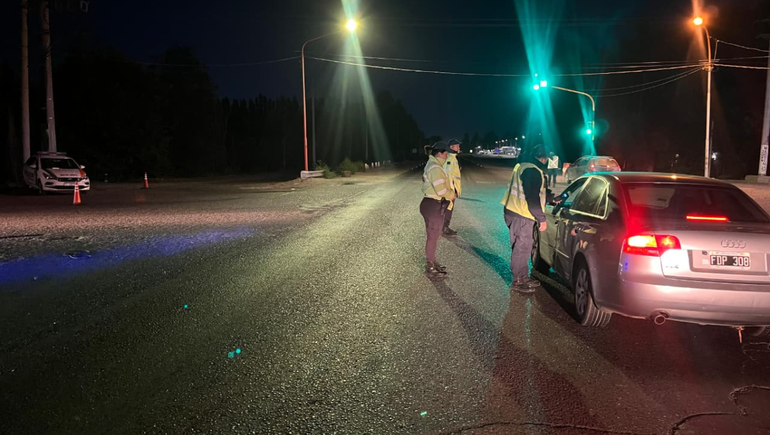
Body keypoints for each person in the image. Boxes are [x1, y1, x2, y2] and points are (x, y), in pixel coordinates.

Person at [501, 144, 549, 293]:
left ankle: (523, 276)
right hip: (521, 215)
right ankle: (518, 281)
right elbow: (532, 198)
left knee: (523, 246)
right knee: (522, 248)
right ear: (544, 158)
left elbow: (531, 191)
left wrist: (552, 197)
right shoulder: (533, 171)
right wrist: (541, 219)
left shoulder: (523, 166)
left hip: (513, 210)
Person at [420, 141, 457, 276]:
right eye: (446, 153)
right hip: (433, 204)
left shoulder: (433, 165)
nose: (447, 156)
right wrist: (452, 195)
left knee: (433, 236)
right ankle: (430, 265)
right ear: (440, 153)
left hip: (431, 204)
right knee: (433, 237)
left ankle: (432, 261)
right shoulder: (435, 167)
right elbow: (441, 190)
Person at [442, 139, 462, 236]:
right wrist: (451, 191)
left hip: (451, 189)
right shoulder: (450, 158)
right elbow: (448, 175)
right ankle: (444, 228)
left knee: (446, 208)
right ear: (451, 147)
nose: (459, 147)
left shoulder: (452, 157)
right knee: (448, 208)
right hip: (450, 189)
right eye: (457, 145)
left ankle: (443, 227)